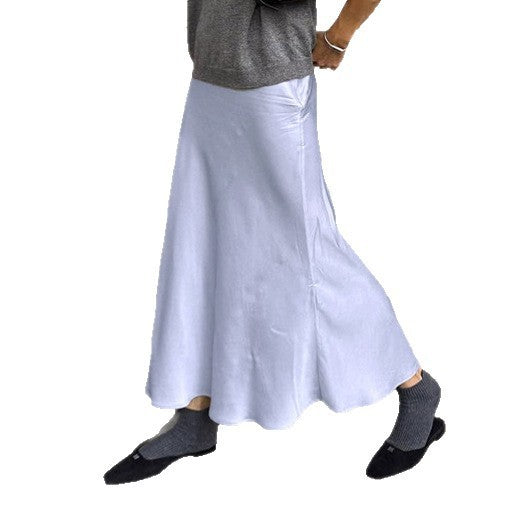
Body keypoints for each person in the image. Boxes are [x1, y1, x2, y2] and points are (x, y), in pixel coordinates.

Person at [104, 0, 445, 485]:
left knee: (309, 257)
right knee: (199, 245)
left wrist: (339, 36)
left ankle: (415, 387)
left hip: (271, 86)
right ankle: (195, 415)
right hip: (211, 80)